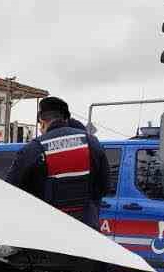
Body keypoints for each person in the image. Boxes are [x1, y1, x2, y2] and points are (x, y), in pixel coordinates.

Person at [7, 96, 110, 228]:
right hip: (86, 229)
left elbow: (11, 190)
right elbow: (104, 187)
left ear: (42, 122)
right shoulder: (91, 142)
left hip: (50, 230)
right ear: (66, 119)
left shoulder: (34, 149)